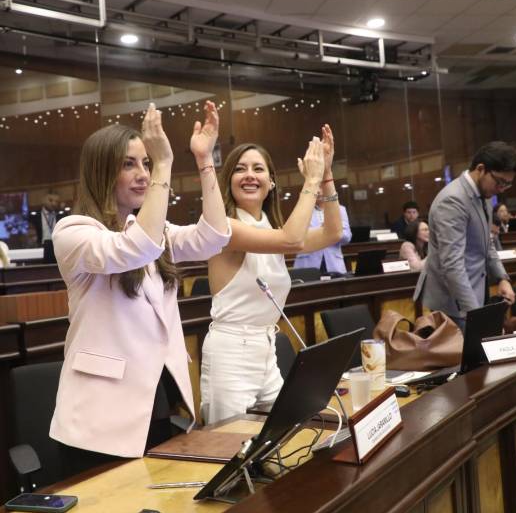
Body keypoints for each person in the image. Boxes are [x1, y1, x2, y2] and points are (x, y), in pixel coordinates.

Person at [49, 102, 231, 469]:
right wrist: (164, 163)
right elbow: (136, 248)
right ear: (102, 171)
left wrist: (204, 160)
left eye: (147, 163)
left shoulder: (150, 230)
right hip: (98, 421)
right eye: (129, 164)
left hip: (155, 402)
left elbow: (214, 237)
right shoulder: (73, 231)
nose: (143, 174)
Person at [201, 124, 343, 424]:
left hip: (266, 348)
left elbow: (333, 232)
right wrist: (312, 180)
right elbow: (292, 239)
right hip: (231, 353)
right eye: (240, 169)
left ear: (271, 182)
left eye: (258, 169)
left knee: (283, 434)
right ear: (228, 181)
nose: (249, 175)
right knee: (229, 444)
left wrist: (326, 176)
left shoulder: (272, 230)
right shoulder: (223, 226)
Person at [414, 141, 516, 330]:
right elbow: (452, 264)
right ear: (481, 169)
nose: (502, 189)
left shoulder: (483, 195)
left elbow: (487, 244)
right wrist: (476, 314)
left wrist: (502, 278)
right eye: (500, 182)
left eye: (508, 184)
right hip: (453, 303)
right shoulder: (453, 200)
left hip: (474, 292)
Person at [293, 198, 351, 274]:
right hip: (307, 264)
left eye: (322, 189)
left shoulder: (340, 209)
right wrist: (323, 230)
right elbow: (296, 237)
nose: (319, 192)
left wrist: (332, 230)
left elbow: (347, 237)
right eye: (317, 190)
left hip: (334, 264)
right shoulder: (301, 210)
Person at [30, 191, 66, 263]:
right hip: (40, 247)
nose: (54, 203)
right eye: (50, 200)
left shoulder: (61, 215)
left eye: (56, 201)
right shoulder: (34, 216)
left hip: (57, 247)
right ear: (43, 200)